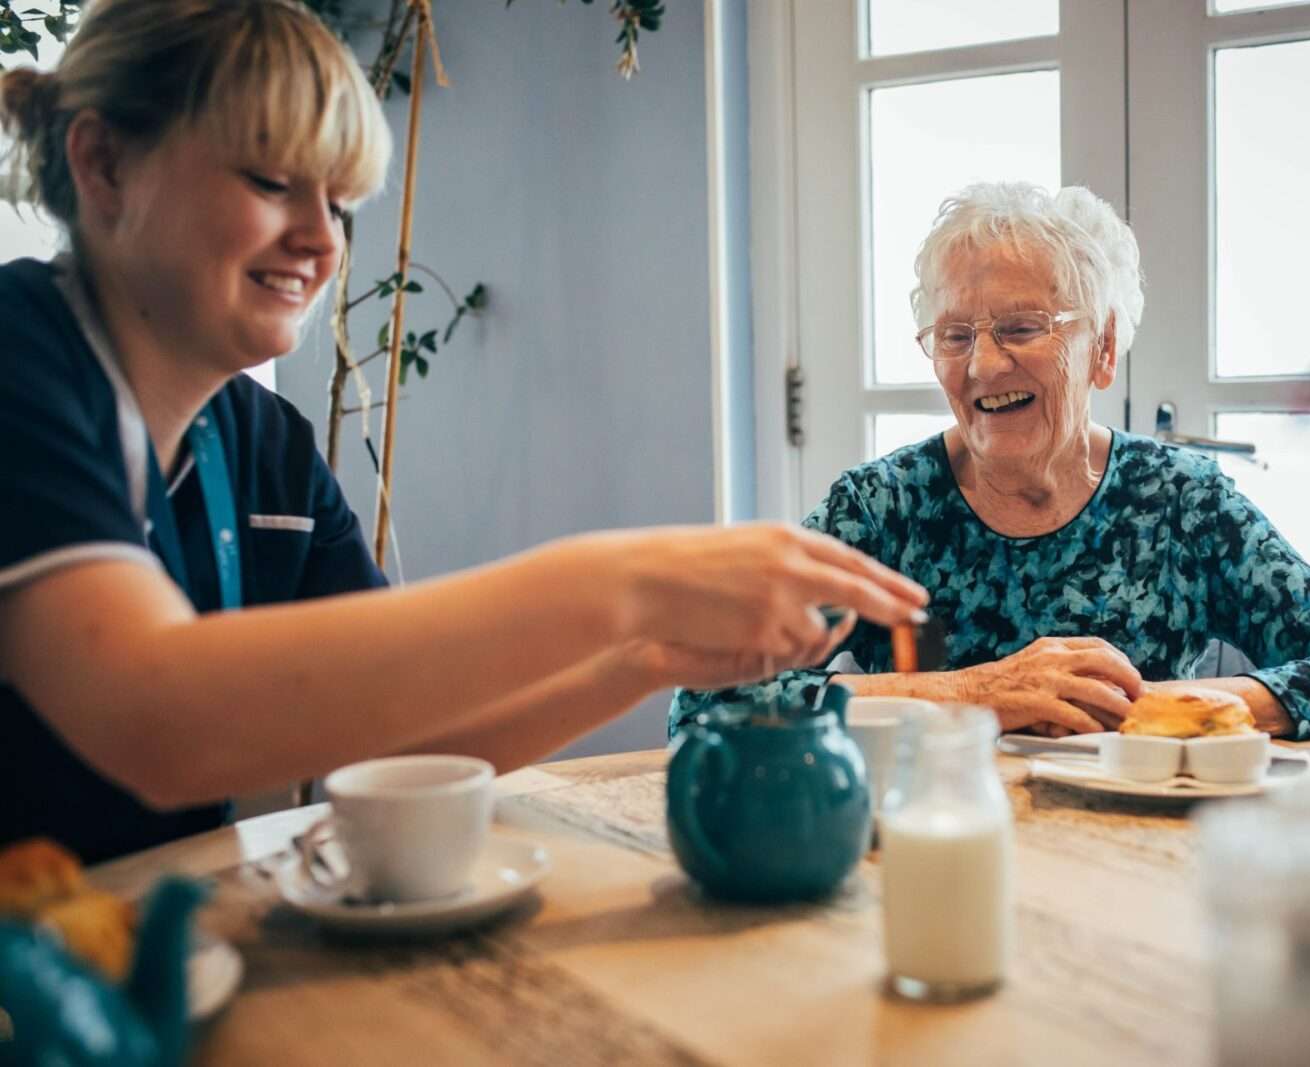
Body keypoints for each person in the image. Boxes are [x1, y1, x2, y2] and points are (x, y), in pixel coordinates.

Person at [0, 0, 927, 864]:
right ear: (104, 164)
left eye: (339, 203)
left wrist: (643, 661)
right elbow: (160, 720)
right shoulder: (19, 357)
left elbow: (383, 744)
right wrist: (632, 580)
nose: (323, 245)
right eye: (273, 181)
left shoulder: (265, 444)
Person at [671, 182, 1310, 741]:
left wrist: (1188, 708)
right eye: (955, 334)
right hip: (935, 846)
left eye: (1021, 328)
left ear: (1101, 348)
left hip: (1142, 867)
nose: (983, 365)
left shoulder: (1182, 504)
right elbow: (707, 702)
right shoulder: (882, 509)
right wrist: (973, 694)